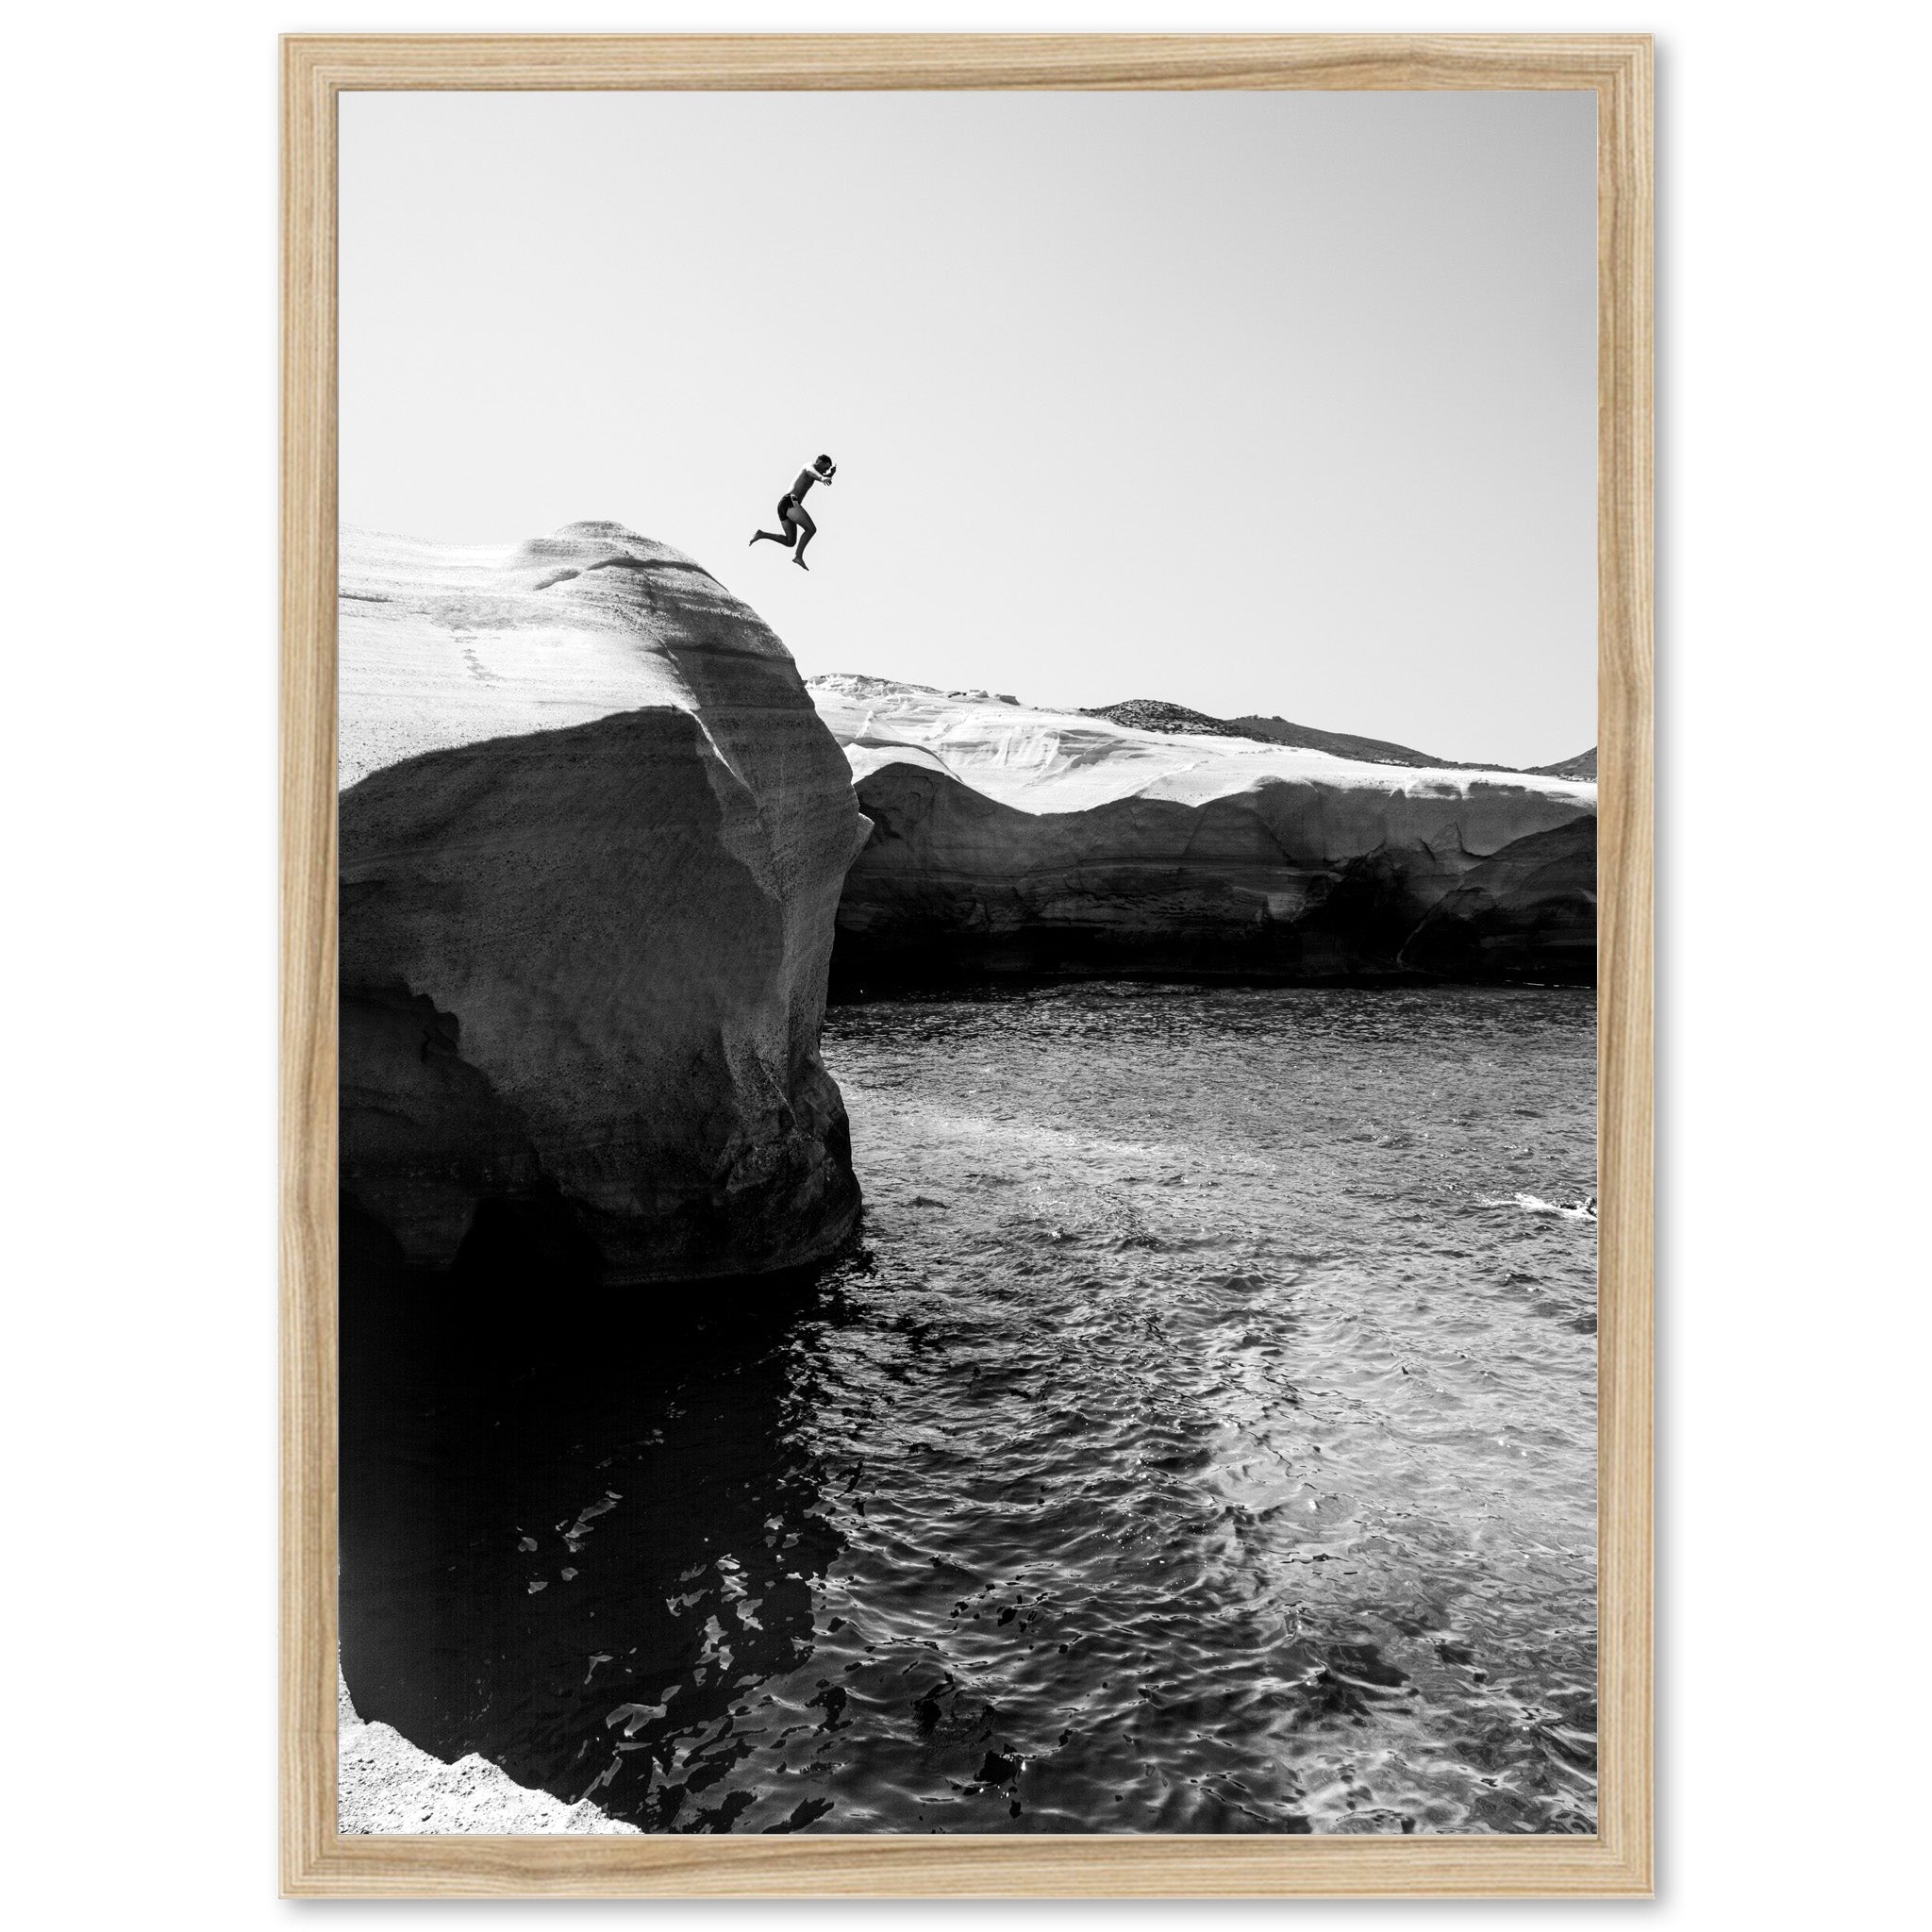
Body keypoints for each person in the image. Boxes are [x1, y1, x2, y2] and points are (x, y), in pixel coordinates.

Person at [750, 454, 837, 569]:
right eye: (824, 468)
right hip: (790, 501)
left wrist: (831, 473)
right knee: (811, 529)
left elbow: (820, 475)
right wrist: (823, 478)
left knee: (790, 541)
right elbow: (812, 472)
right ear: (819, 461)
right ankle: (798, 556)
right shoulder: (809, 466)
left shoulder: (817, 473)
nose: (824, 472)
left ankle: (761, 534)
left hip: (784, 505)